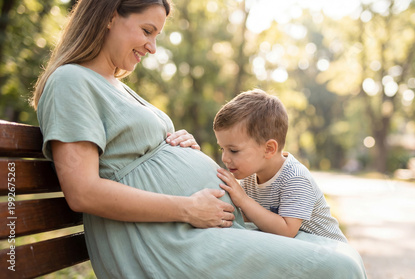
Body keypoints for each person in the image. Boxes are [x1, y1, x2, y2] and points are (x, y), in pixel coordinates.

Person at [31, 0, 367, 278]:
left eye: (157, 34)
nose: (152, 46)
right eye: (147, 31)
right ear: (108, 15)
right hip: (160, 243)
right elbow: (83, 192)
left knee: (337, 253)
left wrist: (175, 144)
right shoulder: (71, 81)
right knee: (338, 267)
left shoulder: (115, 84)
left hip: (193, 231)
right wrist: (187, 208)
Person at [214, 89, 347, 242]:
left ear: (269, 149)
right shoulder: (249, 178)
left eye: (234, 150)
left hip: (331, 253)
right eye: (222, 148)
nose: (225, 158)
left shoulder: (295, 178)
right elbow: (250, 217)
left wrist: (243, 200)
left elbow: (286, 231)